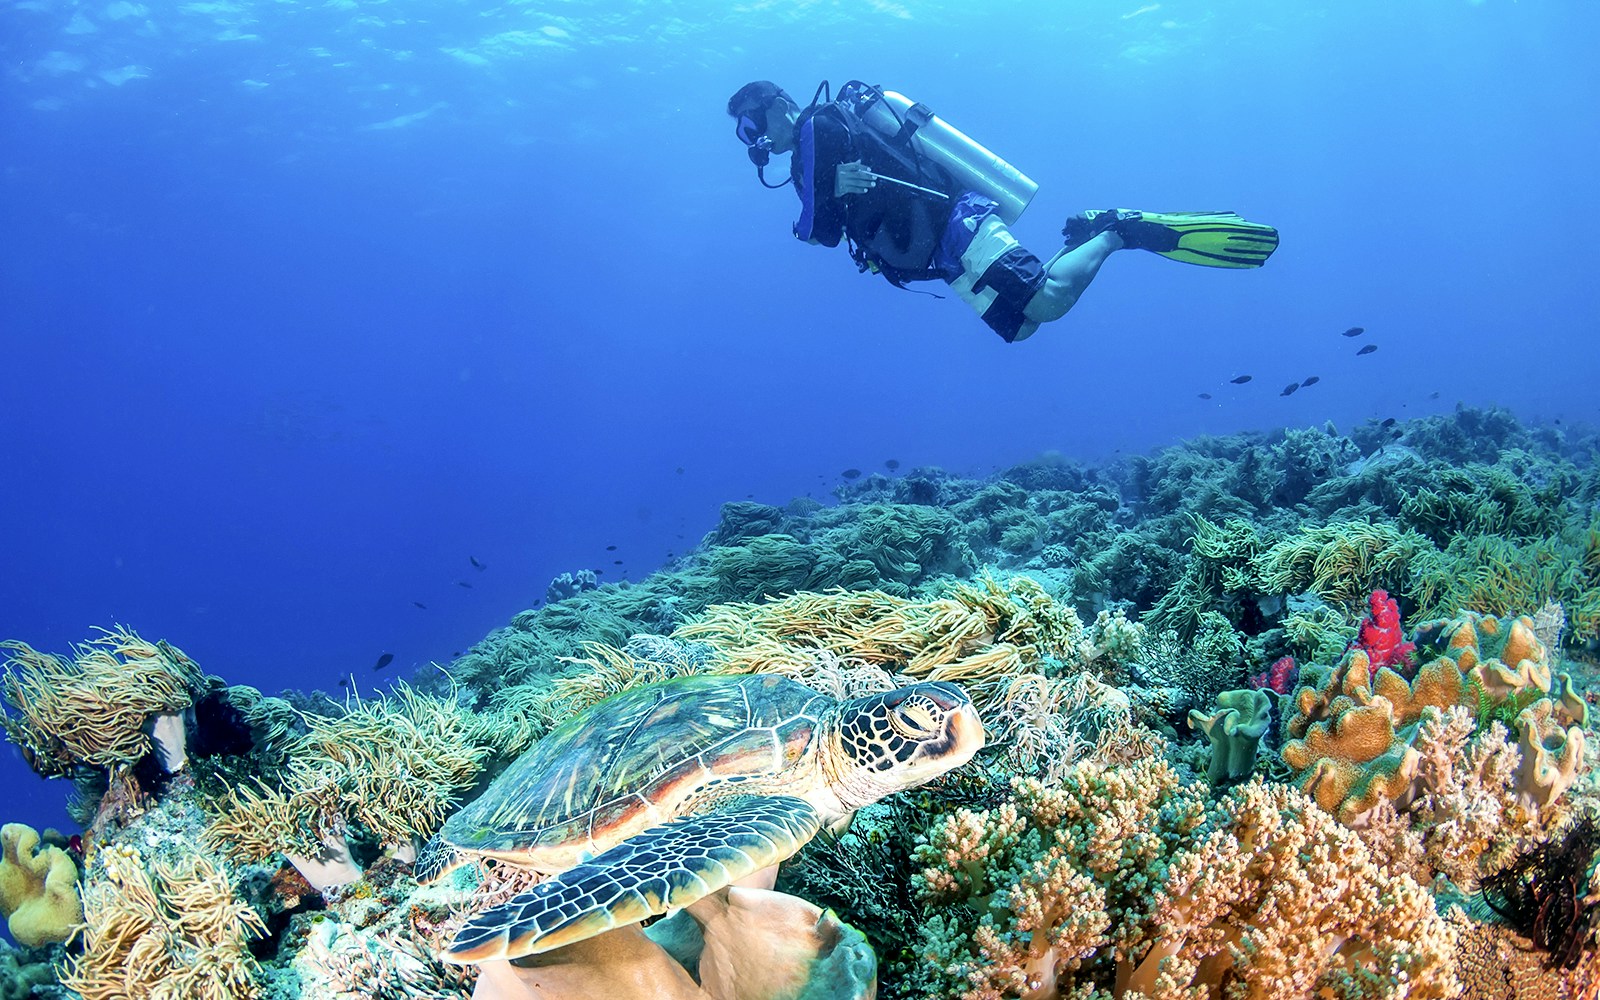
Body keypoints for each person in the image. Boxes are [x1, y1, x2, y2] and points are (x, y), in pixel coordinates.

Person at [727, 80, 1278, 343]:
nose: (753, 141)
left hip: (952, 221)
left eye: (751, 126)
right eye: (744, 135)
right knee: (1025, 326)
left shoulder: (815, 127)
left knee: (1049, 302)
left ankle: (1116, 232)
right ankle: (1086, 234)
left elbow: (816, 232)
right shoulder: (809, 161)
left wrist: (820, 205)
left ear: (777, 105)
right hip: (933, 253)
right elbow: (826, 223)